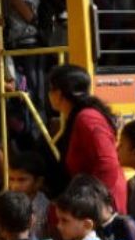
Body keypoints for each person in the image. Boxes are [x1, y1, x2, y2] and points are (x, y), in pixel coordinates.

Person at [47, 63, 127, 211]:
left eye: (50, 89)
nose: (49, 94)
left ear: (59, 93)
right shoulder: (76, 117)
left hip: (103, 207)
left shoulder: (87, 118)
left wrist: (94, 205)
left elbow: (107, 164)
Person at [7, 150, 52, 240]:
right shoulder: (7, 203)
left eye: (22, 180)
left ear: (38, 182)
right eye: (11, 179)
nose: (14, 186)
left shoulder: (47, 208)